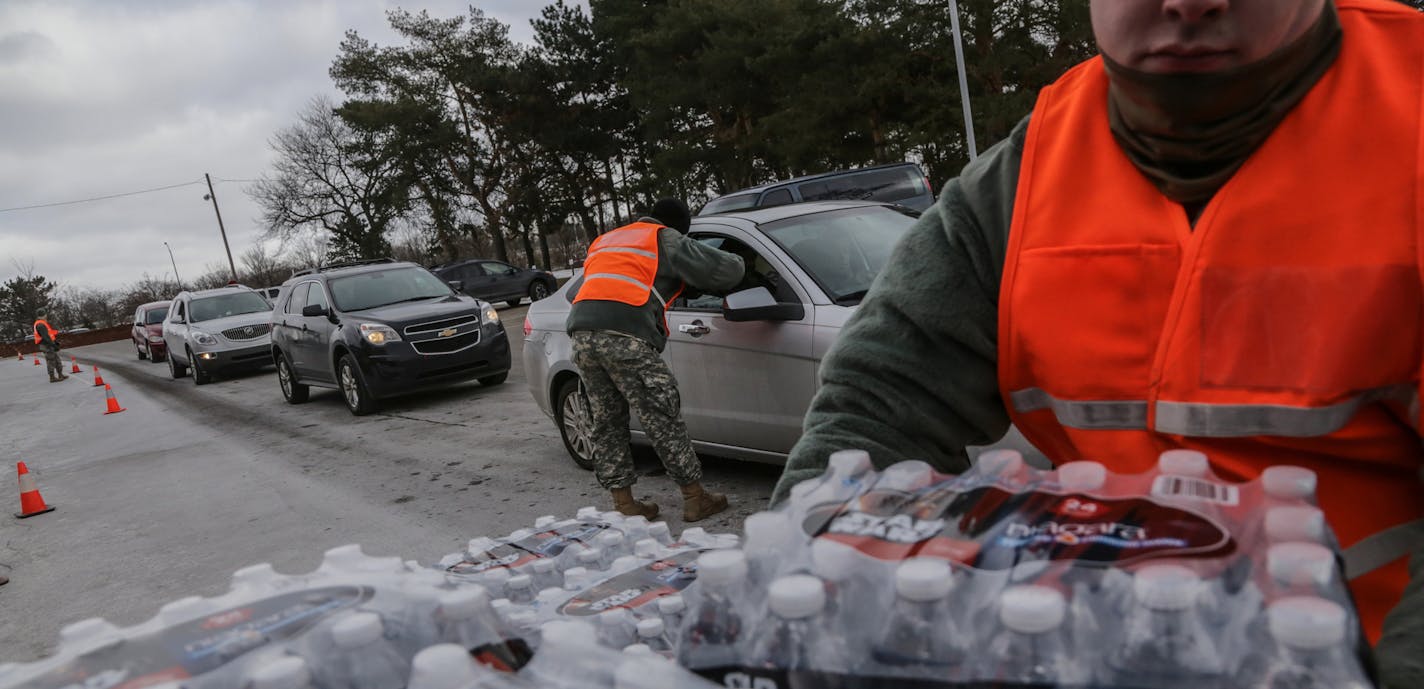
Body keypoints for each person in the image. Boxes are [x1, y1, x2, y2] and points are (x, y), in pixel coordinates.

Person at [772, 0, 1422, 685]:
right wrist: (804, 613)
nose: (1188, 2)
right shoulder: (1024, 178)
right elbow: (874, 410)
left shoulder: (1404, 105)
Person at [568, 198, 746, 522]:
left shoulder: (606, 240)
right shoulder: (663, 237)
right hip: (625, 339)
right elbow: (724, 270)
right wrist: (745, 263)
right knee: (661, 415)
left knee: (607, 421)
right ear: (675, 226)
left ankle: (624, 505)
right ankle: (695, 498)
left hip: (582, 336)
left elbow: (576, 293)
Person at [33, 309, 68, 383]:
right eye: (46, 314)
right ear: (44, 315)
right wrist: (54, 345)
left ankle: (60, 374)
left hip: (49, 344)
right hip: (47, 345)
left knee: (56, 359)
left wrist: (55, 342)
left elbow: (49, 335)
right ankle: (52, 377)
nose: (47, 315)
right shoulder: (40, 325)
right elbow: (46, 337)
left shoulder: (42, 323)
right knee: (51, 361)